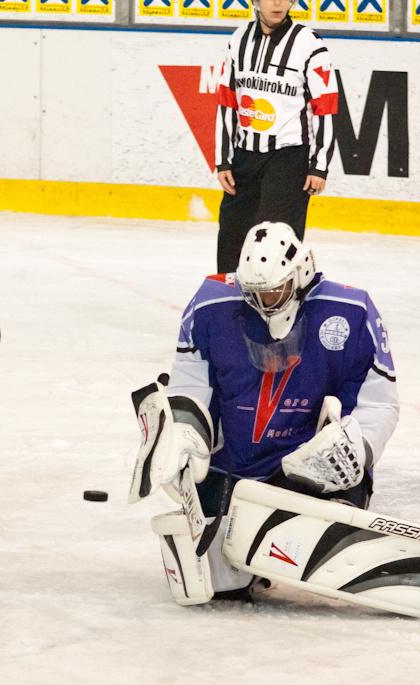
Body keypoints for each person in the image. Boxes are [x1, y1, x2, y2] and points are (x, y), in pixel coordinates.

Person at [134, 221, 399, 598]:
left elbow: (378, 401)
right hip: (232, 470)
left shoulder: (351, 311)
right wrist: (183, 437)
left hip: (313, 472)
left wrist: (359, 447)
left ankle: (319, 516)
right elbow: (189, 385)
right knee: (212, 586)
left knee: (321, 549)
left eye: (275, 291)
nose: (263, 302)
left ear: (302, 273)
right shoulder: (210, 305)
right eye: (254, 292)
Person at [214, 0, 338, 274]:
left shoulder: (309, 44)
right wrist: (223, 160)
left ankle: (278, 312)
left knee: (274, 246)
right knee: (231, 239)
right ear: (255, 2)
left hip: (289, 159)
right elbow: (227, 100)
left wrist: (319, 166)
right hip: (244, 158)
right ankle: (229, 308)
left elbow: (326, 106)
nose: (278, 3)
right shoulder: (239, 39)